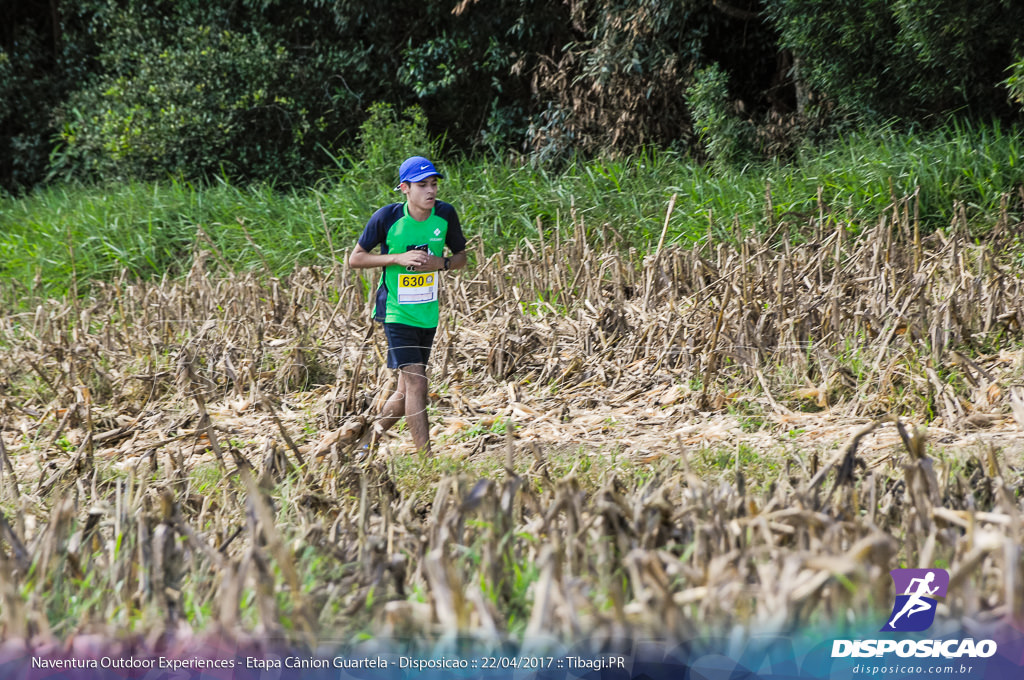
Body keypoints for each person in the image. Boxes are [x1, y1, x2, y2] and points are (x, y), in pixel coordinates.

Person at [348, 156, 467, 454]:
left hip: (427, 313)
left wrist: (441, 263)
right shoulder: (387, 218)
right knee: (417, 384)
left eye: (434, 184)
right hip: (395, 312)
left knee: (404, 392)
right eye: (422, 184)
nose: (431, 190)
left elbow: (462, 257)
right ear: (404, 188)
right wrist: (397, 258)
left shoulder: (445, 215)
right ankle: (425, 461)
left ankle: (364, 444)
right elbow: (356, 258)